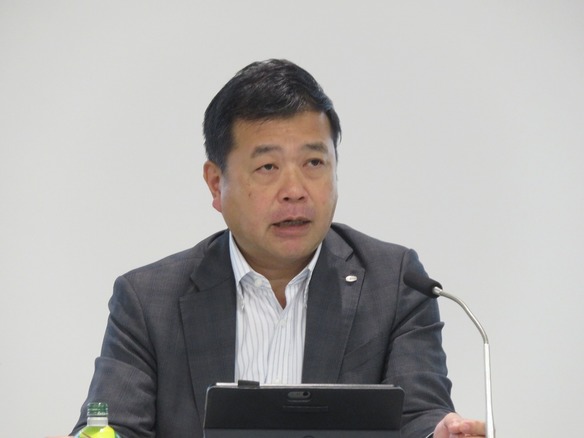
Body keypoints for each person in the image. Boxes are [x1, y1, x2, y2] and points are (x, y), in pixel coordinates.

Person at [66, 59, 485, 438]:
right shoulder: (148, 301)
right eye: (268, 167)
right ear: (216, 184)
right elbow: (113, 425)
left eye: (314, 163)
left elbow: (420, 415)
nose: (295, 190)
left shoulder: (395, 284)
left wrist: (440, 434)